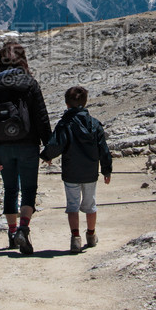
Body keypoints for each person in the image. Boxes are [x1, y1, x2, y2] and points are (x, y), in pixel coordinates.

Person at [0, 41, 52, 254]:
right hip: (28, 144)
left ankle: (12, 233)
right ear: (22, 59)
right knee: (29, 189)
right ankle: (23, 229)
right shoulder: (30, 83)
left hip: (2, 146)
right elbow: (41, 117)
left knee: (10, 189)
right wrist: (49, 148)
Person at [41, 85, 112, 254]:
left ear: (67, 104)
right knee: (90, 204)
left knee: (72, 206)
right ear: (85, 102)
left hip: (71, 172)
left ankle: (75, 238)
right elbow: (103, 148)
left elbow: (57, 143)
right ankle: (91, 235)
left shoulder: (65, 123)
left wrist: (46, 156)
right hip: (90, 171)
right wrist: (107, 170)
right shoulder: (94, 124)